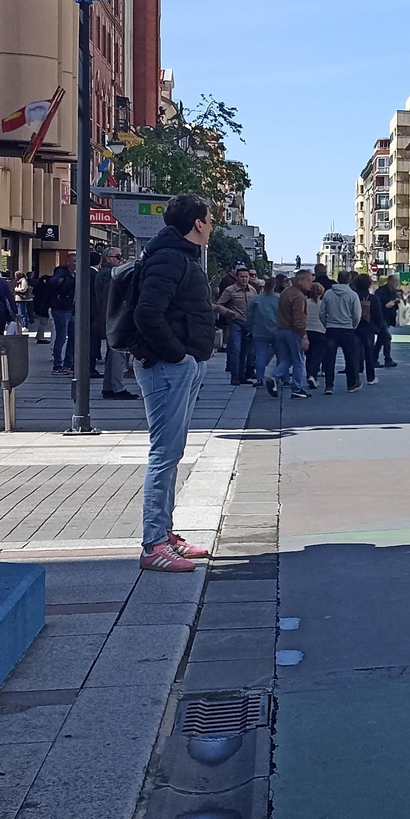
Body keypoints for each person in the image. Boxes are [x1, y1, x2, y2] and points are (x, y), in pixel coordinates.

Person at [129, 193, 218, 572]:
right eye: (210, 219)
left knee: (172, 452)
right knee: (164, 454)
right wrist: (178, 355)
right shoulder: (170, 257)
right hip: (169, 366)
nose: (213, 225)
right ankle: (153, 545)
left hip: (181, 364)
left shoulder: (176, 255)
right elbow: (147, 312)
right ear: (197, 223)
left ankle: (164, 535)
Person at [94, 248, 137, 400]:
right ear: (107, 258)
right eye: (117, 257)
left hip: (109, 317)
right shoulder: (109, 274)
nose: (120, 259)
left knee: (113, 354)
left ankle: (109, 387)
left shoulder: (105, 273)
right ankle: (117, 388)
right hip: (114, 318)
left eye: (121, 256)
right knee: (118, 353)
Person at [214, 267, 259, 385]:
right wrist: (230, 314)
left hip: (249, 324)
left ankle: (241, 375)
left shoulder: (252, 290)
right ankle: (234, 376)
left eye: (246, 277)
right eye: (242, 277)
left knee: (246, 351)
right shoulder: (230, 290)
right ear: (237, 277)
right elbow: (218, 305)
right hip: (235, 323)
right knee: (236, 349)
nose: (244, 279)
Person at [320, 272, 364, 393]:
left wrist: (326, 324)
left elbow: (322, 313)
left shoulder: (328, 293)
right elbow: (357, 314)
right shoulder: (352, 295)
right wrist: (352, 326)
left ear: (337, 279)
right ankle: (351, 383)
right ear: (349, 280)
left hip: (331, 328)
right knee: (349, 357)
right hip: (347, 328)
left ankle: (329, 386)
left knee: (330, 358)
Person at [276, 270, 313, 398]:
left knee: (287, 358)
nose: (311, 284)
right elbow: (299, 318)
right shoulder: (299, 296)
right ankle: (296, 388)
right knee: (298, 360)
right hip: (293, 331)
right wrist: (303, 336)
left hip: (281, 329)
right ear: (300, 280)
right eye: (308, 280)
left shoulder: (285, 292)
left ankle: (275, 377)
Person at [247, 275, 284, 397]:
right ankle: (282, 378)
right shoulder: (279, 298)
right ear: (276, 286)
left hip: (259, 330)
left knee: (260, 356)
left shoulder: (256, 299)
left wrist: (250, 329)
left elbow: (250, 316)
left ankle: (259, 379)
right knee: (281, 355)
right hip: (277, 330)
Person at [45, 256, 77, 372]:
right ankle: (57, 364)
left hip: (71, 308)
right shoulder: (61, 272)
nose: (76, 263)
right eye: (74, 261)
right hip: (60, 308)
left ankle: (69, 363)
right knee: (61, 337)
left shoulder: (75, 274)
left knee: (73, 337)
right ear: (68, 262)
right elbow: (53, 282)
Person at [353, 274, 380, 386]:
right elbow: (378, 315)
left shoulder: (353, 297)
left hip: (355, 327)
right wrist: (378, 328)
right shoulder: (373, 298)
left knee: (354, 352)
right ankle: (370, 377)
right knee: (369, 353)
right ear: (369, 284)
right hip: (369, 328)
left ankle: (354, 377)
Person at [374, 274, 402, 366]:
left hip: (389, 317)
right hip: (381, 317)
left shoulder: (394, 291)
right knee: (387, 337)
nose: (396, 284)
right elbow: (377, 305)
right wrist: (386, 305)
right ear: (390, 282)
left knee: (381, 339)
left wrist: (398, 302)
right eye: (395, 282)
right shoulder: (381, 291)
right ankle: (387, 358)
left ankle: (374, 358)